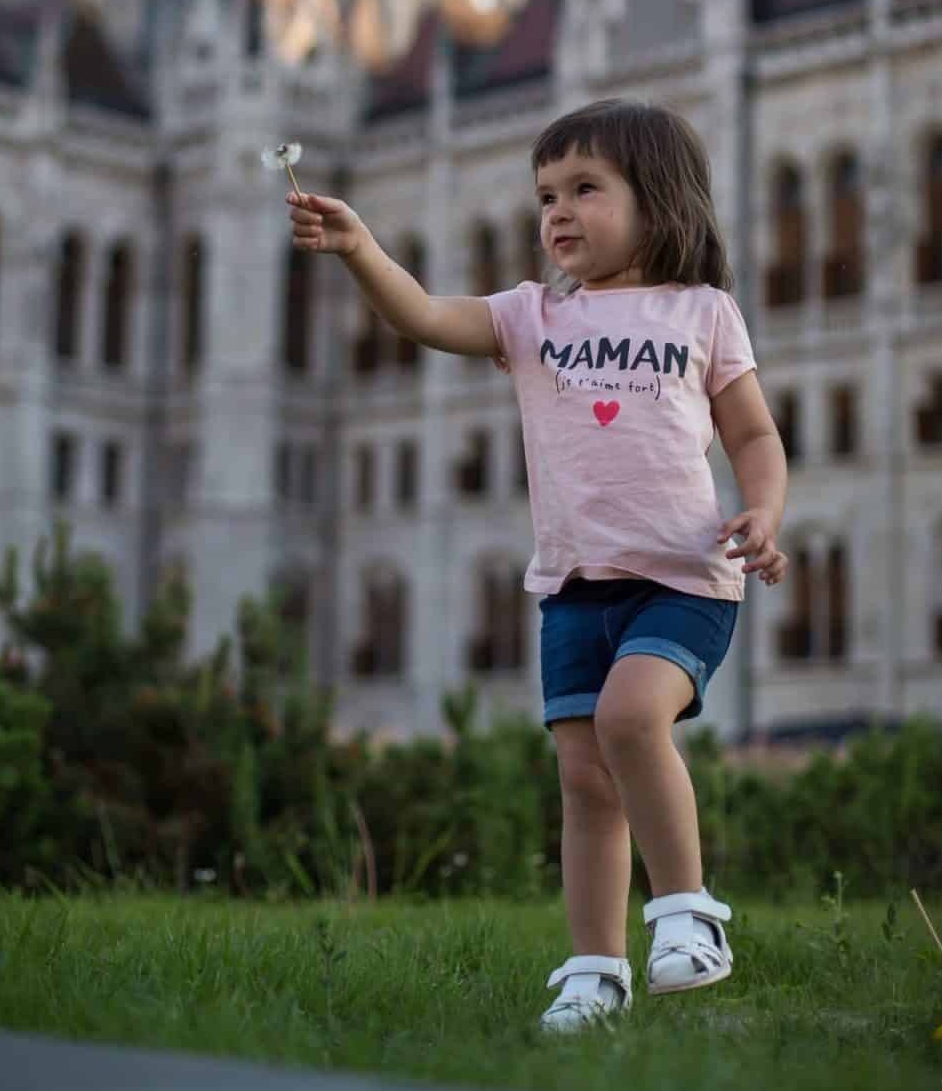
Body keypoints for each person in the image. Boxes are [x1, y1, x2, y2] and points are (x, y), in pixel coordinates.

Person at [287, 97, 789, 1034]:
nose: (556, 211)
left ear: (660, 202)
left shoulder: (703, 312)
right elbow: (430, 317)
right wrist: (360, 250)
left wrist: (762, 509)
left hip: (684, 576)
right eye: (545, 194)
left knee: (632, 719)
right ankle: (595, 972)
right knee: (586, 785)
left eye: (584, 189)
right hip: (571, 588)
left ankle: (689, 914)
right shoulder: (532, 317)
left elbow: (754, 432)